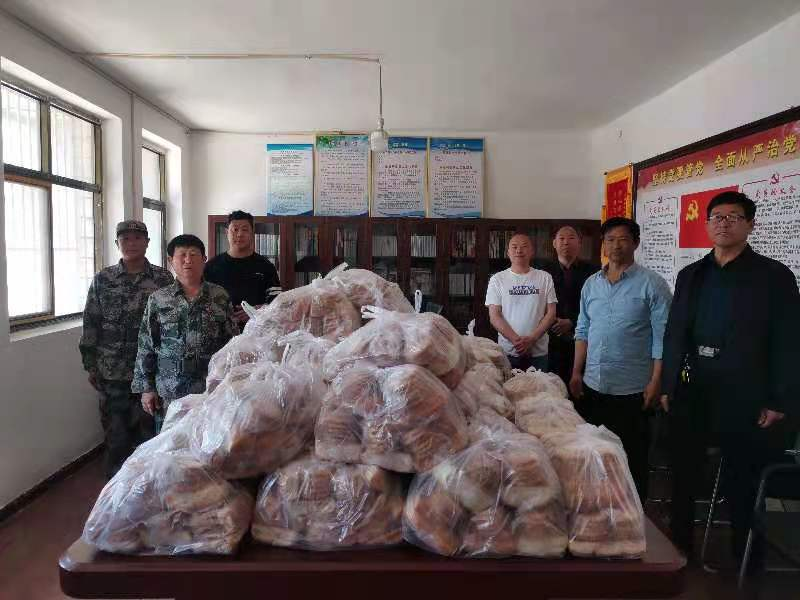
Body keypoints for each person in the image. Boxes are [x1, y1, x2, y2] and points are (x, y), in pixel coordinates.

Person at [660, 191, 799, 565]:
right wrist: (668, 383)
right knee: (684, 474)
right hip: (694, 388)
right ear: (707, 225)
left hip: (746, 393)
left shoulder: (774, 276)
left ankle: (745, 559)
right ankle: (679, 549)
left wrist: (778, 399)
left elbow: (788, 341)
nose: (724, 223)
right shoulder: (692, 274)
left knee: (743, 480)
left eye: (734, 217)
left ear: (750, 225)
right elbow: (675, 333)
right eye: (717, 217)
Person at [570, 217, 672, 502]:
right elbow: (582, 330)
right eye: (610, 239)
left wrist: (656, 380)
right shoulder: (591, 284)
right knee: (595, 455)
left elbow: (662, 338)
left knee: (632, 458)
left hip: (633, 389)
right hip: (594, 384)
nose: (616, 245)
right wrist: (576, 372)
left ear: (635, 243)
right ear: (603, 244)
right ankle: (598, 509)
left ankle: (634, 515)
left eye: (623, 239)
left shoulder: (652, 285)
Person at [79, 220, 173, 477]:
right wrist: (90, 364)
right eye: (125, 239)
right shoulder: (103, 279)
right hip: (112, 372)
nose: (131, 243)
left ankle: (146, 488)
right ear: (117, 243)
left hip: (151, 372)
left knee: (150, 436)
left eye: (137, 238)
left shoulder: (163, 279)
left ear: (147, 242)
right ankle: (116, 492)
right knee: (116, 438)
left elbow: (170, 323)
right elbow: (91, 321)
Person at [132, 234, 237, 434]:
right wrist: (147, 388)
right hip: (170, 392)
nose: (188, 260)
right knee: (170, 445)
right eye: (182, 255)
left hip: (210, 390)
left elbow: (232, 344)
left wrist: (232, 382)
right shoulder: (159, 300)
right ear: (171, 261)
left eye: (193, 255)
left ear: (204, 259)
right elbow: (146, 345)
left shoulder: (219, 296)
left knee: (207, 443)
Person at [535, 226, 599, 389]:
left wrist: (571, 321)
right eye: (561, 238)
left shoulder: (593, 272)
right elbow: (534, 303)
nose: (566, 242)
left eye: (571, 238)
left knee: (579, 388)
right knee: (551, 388)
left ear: (579, 243)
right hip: (548, 338)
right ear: (554, 243)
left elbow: (598, 306)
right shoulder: (541, 272)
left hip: (583, 339)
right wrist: (551, 321)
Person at [486, 233, 557, 371]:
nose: (519, 250)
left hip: (538, 353)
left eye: (524, 246)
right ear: (508, 253)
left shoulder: (545, 277)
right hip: (508, 352)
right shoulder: (497, 279)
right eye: (514, 247)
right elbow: (494, 316)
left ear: (532, 251)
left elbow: (551, 313)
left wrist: (532, 339)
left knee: (540, 386)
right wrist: (516, 341)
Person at [204, 210, 281, 327]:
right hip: (220, 331)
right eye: (235, 229)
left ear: (252, 233)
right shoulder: (212, 266)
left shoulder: (266, 266)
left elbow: (278, 302)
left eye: (245, 230)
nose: (240, 234)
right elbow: (202, 301)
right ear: (227, 232)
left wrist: (257, 311)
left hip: (256, 331)